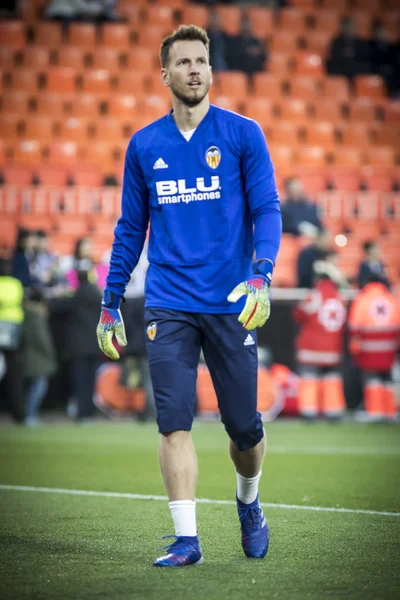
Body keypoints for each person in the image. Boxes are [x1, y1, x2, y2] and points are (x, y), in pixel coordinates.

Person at [96, 25, 281, 567]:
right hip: (169, 301)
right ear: (166, 74)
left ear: (210, 70)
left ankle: (249, 502)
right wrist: (110, 300)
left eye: (202, 61)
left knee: (244, 427)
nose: (195, 69)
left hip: (231, 301)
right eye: (184, 62)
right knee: (172, 419)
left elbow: (267, 210)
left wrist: (261, 276)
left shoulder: (244, 134)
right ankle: (187, 539)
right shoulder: (144, 145)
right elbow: (130, 229)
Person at [293, 255, 347, 420]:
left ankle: (309, 411)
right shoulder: (340, 298)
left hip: (311, 349)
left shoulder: (314, 296)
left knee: (309, 379)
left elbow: (299, 314)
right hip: (332, 349)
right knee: (331, 380)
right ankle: (334, 412)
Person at [51, 269, 102, 421]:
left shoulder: (77, 295)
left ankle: (82, 413)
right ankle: (89, 412)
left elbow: (56, 306)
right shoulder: (97, 295)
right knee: (90, 381)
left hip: (78, 347)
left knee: (80, 380)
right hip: (94, 344)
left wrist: (58, 295)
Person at [348, 273, 400, 421]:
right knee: (387, 381)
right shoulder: (391, 299)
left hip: (369, 348)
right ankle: (389, 411)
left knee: (372, 381)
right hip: (389, 348)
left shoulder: (362, 300)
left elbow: (354, 326)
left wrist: (355, 348)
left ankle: (375, 411)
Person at [23, 288, 57, 426]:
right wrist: (51, 353)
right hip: (38, 357)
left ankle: (27, 414)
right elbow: (42, 339)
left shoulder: (25, 313)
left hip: (27, 355)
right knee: (39, 387)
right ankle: (30, 415)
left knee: (31, 387)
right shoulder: (37, 316)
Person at [0, 257, 25, 422]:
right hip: (14, 329)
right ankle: (19, 413)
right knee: (13, 373)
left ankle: (17, 412)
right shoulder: (16, 284)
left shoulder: (14, 283)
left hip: (6, 328)